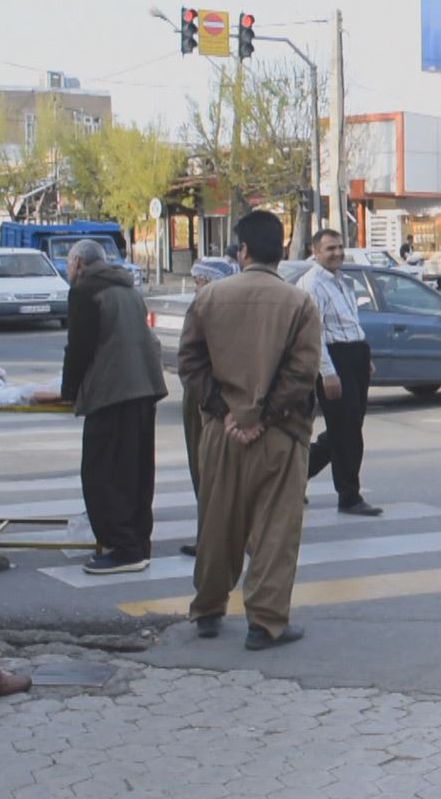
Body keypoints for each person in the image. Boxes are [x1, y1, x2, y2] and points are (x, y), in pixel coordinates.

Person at [178, 211, 323, 649]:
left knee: (216, 521)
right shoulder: (299, 303)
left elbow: (190, 363)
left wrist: (225, 411)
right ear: (281, 251)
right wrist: (262, 416)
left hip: (221, 432)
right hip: (281, 433)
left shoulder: (209, 298)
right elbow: (302, 373)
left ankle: (207, 609)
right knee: (277, 529)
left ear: (242, 251)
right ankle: (265, 621)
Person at [61, 239, 168, 575]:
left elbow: (79, 348)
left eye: (68, 262)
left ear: (79, 263)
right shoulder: (127, 288)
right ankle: (137, 543)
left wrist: (68, 392)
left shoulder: (86, 291)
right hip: (144, 388)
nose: (68, 269)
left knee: (102, 475)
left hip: (111, 392)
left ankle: (124, 549)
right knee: (136, 472)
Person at [298, 229, 382, 517]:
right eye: (330, 248)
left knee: (346, 429)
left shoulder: (341, 280)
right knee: (346, 431)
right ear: (315, 251)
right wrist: (328, 372)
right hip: (335, 358)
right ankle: (349, 496)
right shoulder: (312, 284)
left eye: (339, 247)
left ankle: (295, 476)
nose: (337, 253)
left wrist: (364, 357)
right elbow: (315, 333)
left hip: (354, 354)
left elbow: (349, 322)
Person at [179, 258, 236, 558]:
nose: (196, 286)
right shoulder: (229, 306)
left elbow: (190, 360)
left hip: (208, 397)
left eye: (200, 280)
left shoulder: (207, 307)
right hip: (218, 396)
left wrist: (210, 401)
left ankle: (213, 540)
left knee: (207, 469)